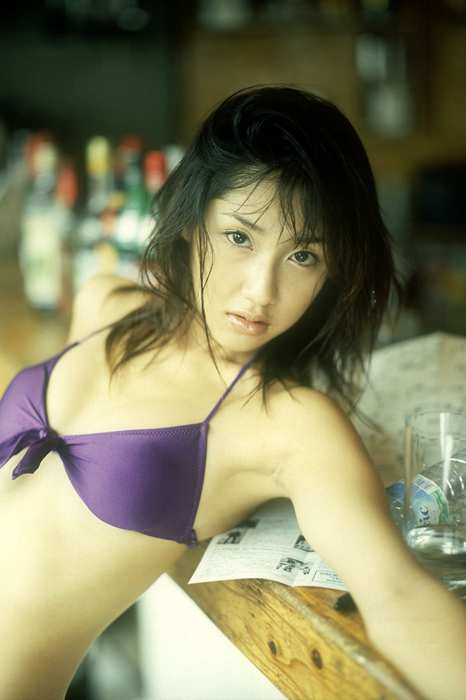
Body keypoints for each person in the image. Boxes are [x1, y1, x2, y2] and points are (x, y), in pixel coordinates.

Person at [0, 85, 464, 700]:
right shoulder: (106, 303)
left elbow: (398, 595)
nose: (260, 291)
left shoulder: (286, 424)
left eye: (303, 256)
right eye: (240, 237)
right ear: (193, 222)